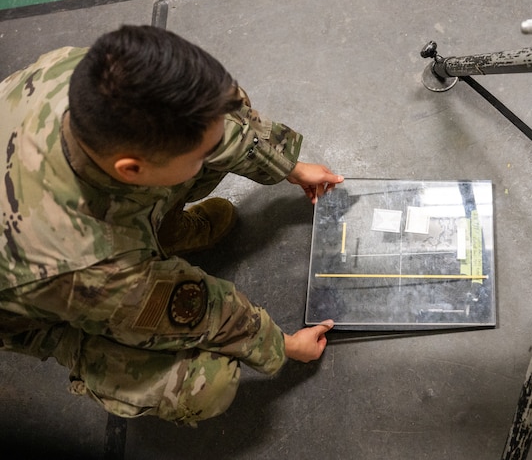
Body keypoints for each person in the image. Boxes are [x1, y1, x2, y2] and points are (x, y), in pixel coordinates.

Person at [0, 25, 343, 425]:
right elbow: (200, 313)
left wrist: (289, 167)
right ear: (131, 168)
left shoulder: (82, 72)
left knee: (222, 112)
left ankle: (163, 232)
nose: (211, 156)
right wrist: (283, 346)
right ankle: (80, 349)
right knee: (205, 384)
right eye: (202, 156)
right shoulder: (90, 268)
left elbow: (221, 124)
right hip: (39, 301)